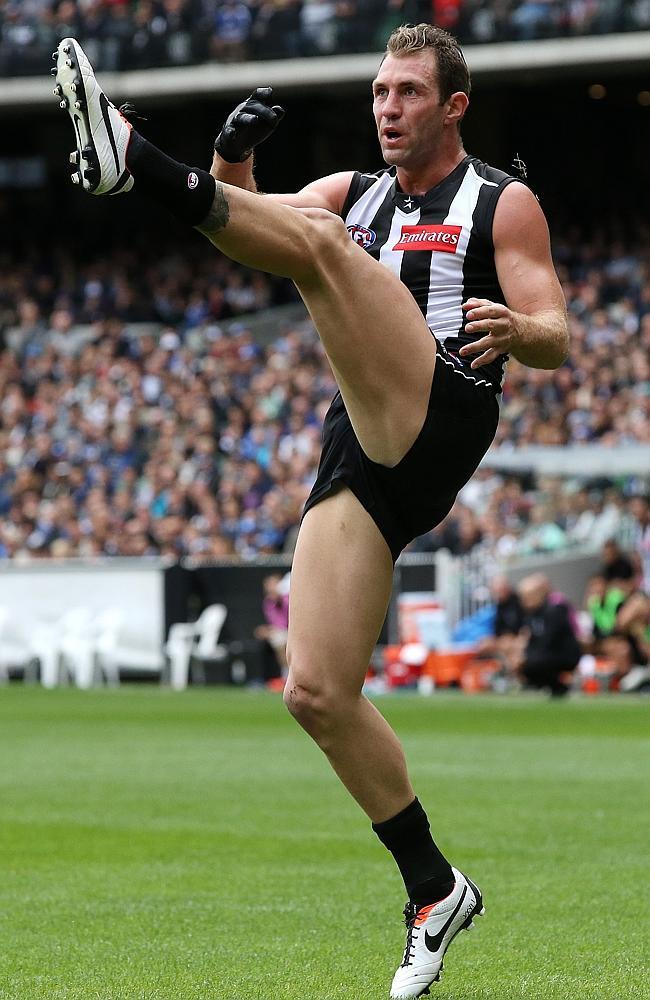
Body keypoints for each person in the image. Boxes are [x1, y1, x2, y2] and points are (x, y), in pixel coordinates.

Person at [52, 24, 568, 998]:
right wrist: (231, 158)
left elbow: (554, 329)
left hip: (445, 403)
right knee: (315, 691)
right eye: (377, 89)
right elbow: (251, 223)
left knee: (322, 246)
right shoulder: (348, 189)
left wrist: (524, 329)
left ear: (452, 106)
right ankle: (432, 886)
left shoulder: (501, 202)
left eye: (407, 91)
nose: (386, 105)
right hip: (361, 438)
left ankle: (127, 155)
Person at [516, 573, 581, 697]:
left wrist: (527, 658)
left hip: (563, 655)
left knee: (533, 665)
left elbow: (548, 641)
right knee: (530, 664)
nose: (523, 601)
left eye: (527, 597)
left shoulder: (554, 611)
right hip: (546, 655)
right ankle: (555, 688)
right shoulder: (531, 615)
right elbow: (532, 640)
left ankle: (557, 685)